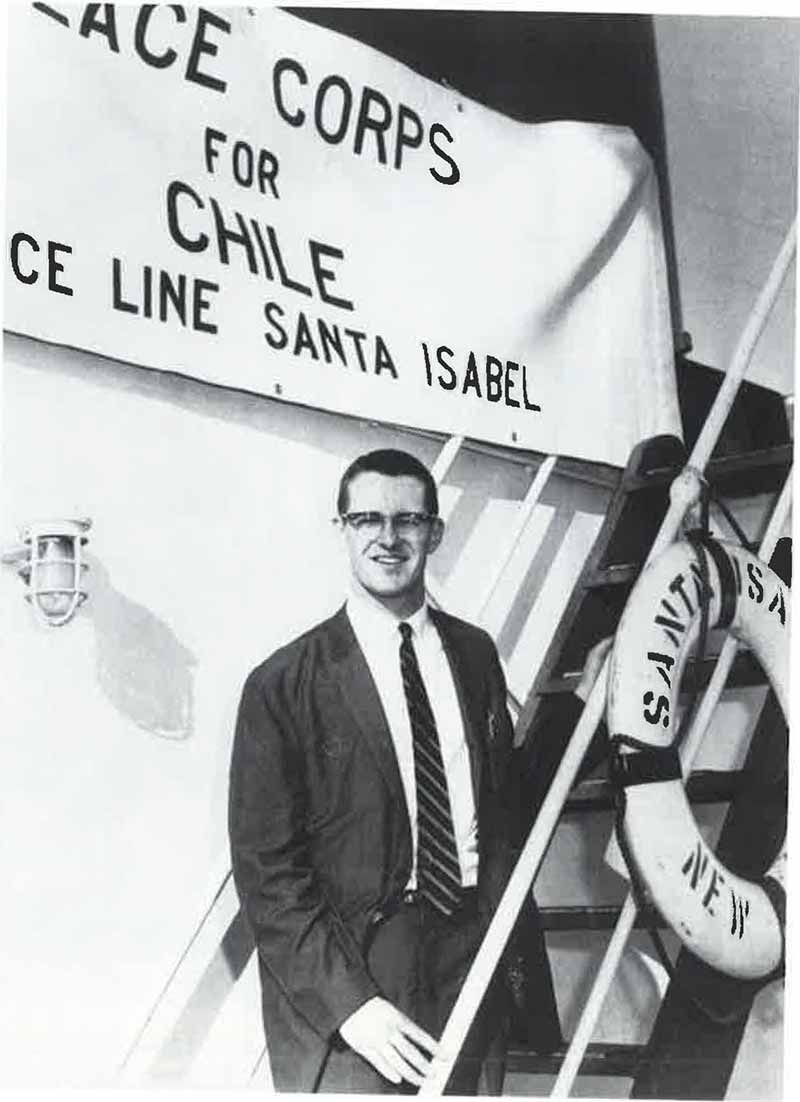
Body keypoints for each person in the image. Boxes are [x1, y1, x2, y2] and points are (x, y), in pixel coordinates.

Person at [228, 448, 562, 1094]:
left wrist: (583, 708)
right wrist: (350, 1005)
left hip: (470, 952)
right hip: (360, 971)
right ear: (342, 531)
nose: (389, 538)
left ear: (435, 532)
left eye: (408, 521)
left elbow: (498, 802)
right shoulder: (283, 683)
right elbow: (267, 872)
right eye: (368, 520)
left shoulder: (473, 654)